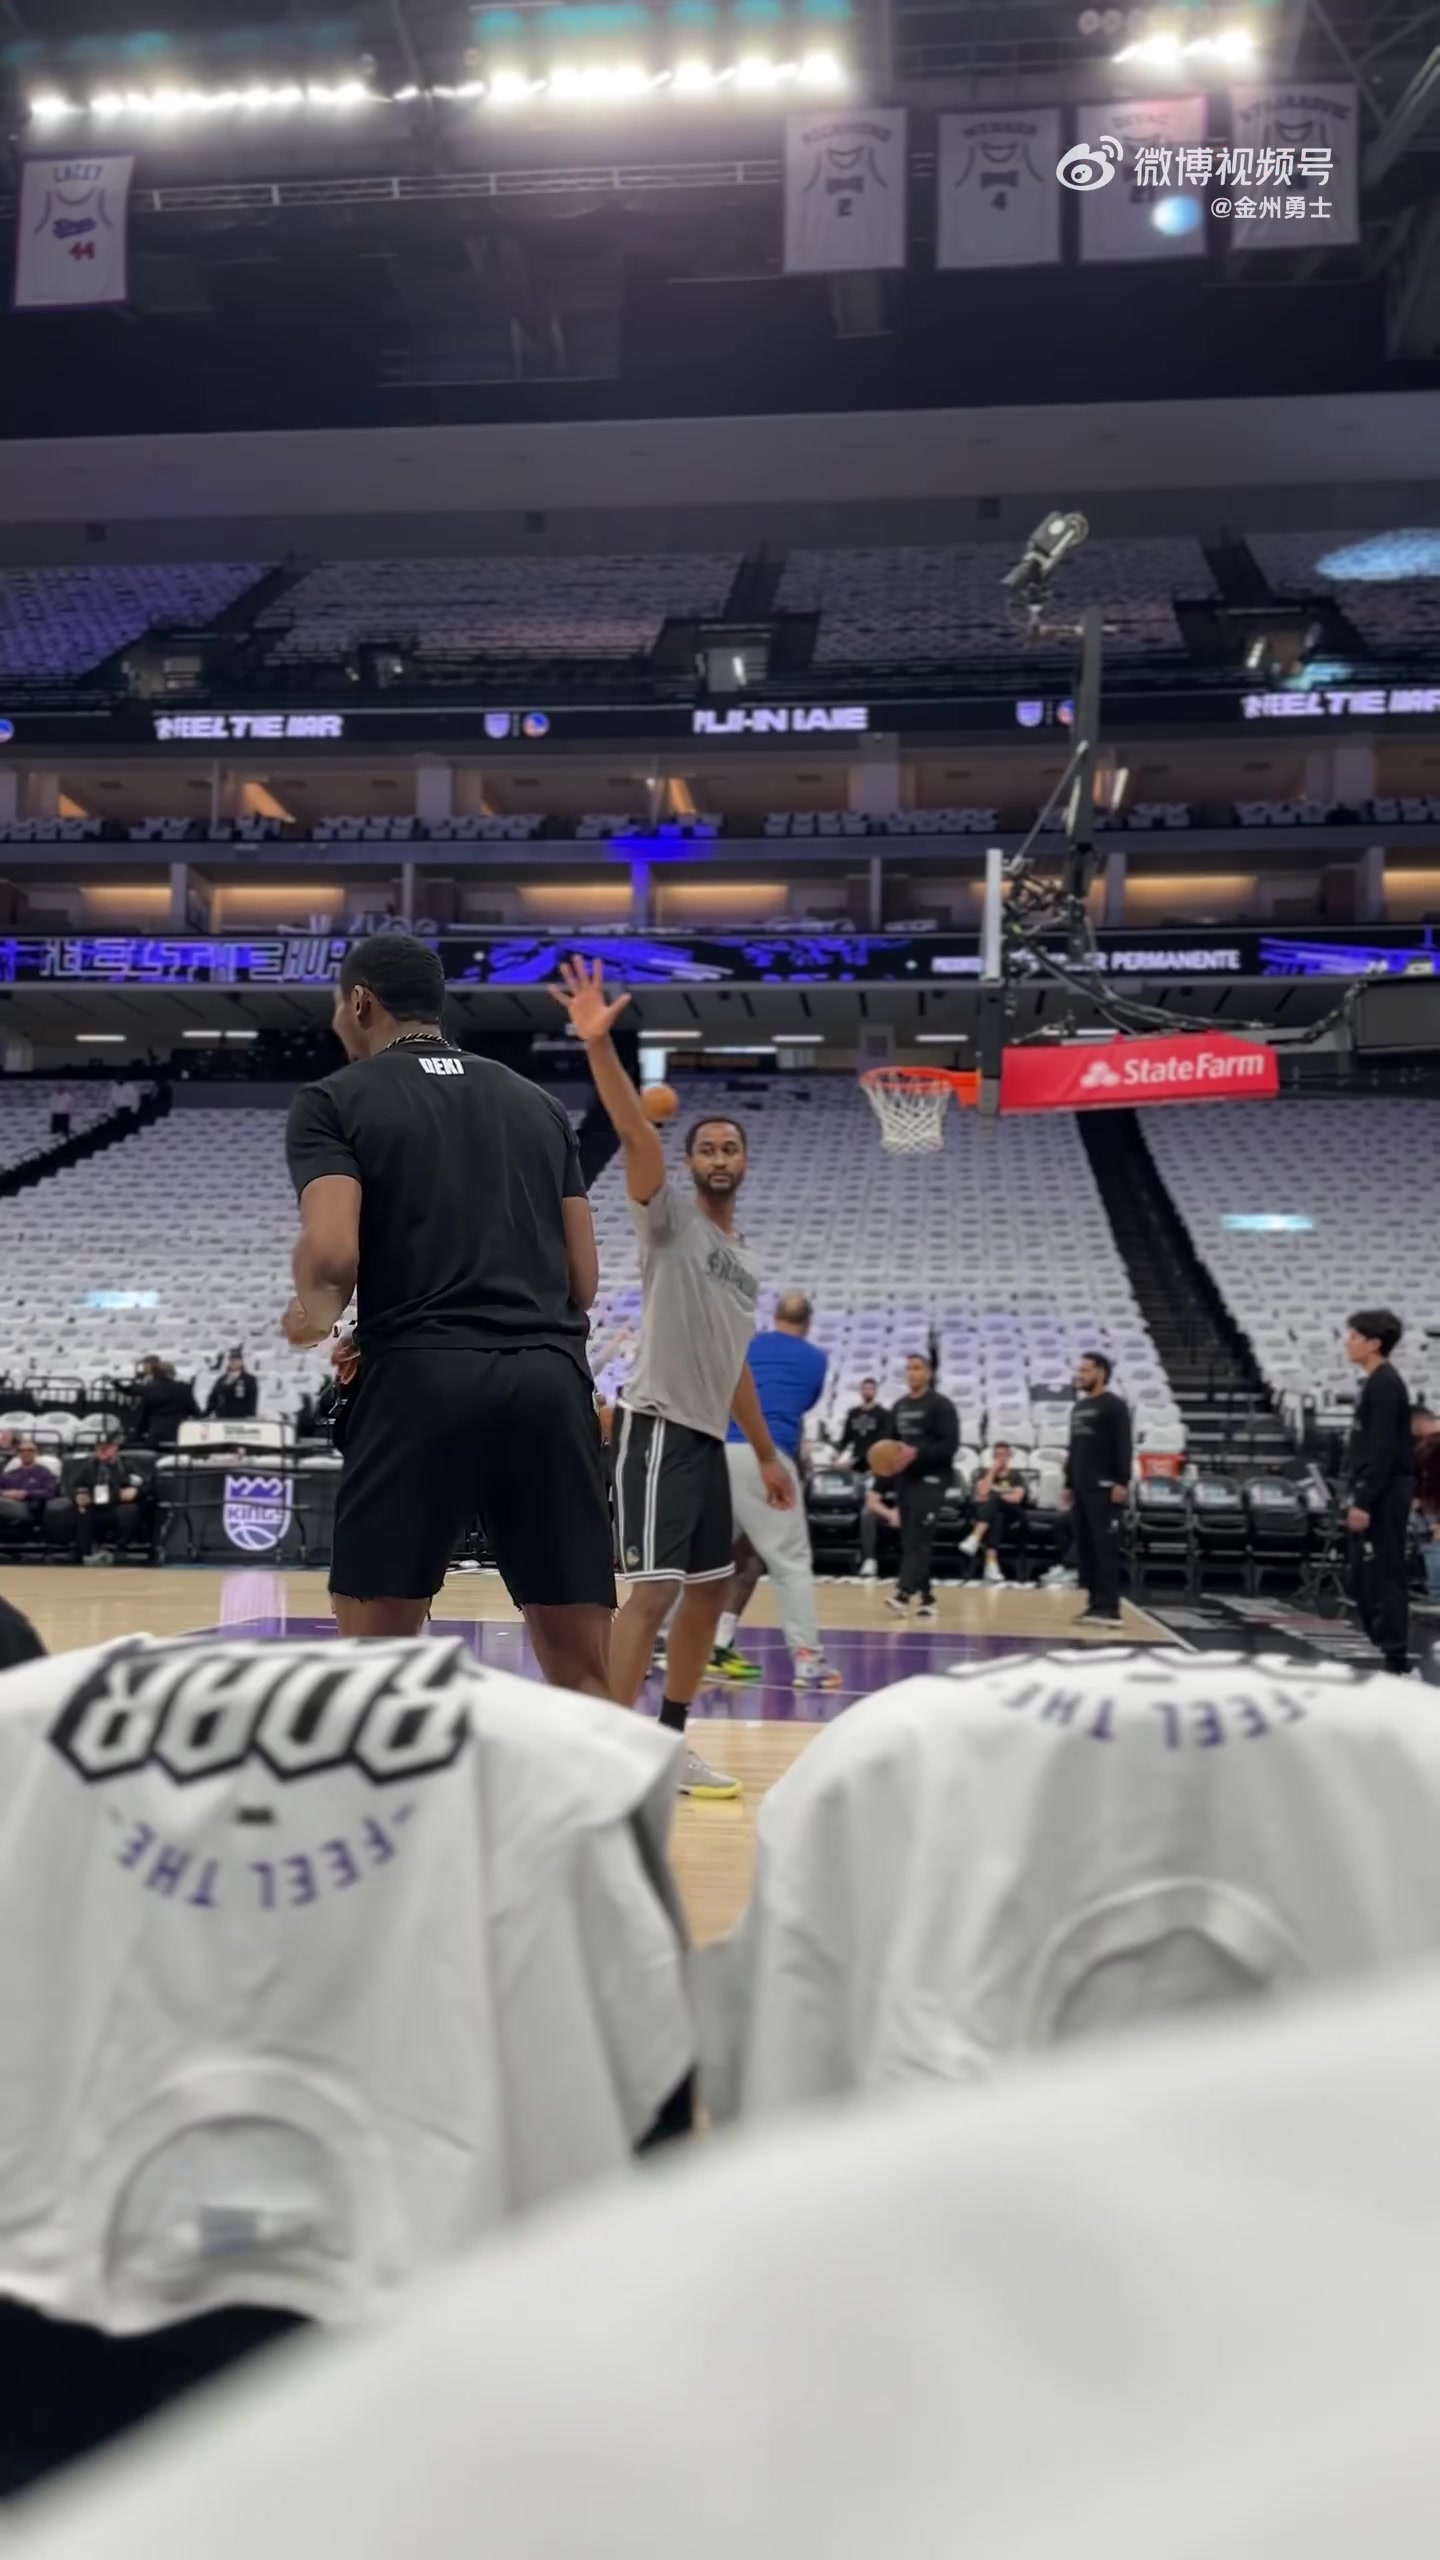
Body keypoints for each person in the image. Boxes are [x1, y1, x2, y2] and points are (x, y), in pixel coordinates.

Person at [282, 933, 614, 1698]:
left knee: (377, 1674)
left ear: (360, 1001)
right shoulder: (539, 1105)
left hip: (419, 1384)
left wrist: (313, 1313)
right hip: (548, 1384)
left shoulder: (334, 1100)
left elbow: (332, 1257)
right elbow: (583, 1281)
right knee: (583, 1675)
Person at [552, 953, 794, 1800]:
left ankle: (667, 1743)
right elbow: (633, 1133)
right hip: (654, 1428)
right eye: (708, 1147)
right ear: (690, 1164)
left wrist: (766, 1452)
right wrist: (598, 1046)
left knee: (709, 1594)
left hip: (706, 1439)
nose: (720, 1155)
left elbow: (734, 1366)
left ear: (745, 1162)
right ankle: (609, 1757)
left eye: (731, 1147)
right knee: (651, 1593)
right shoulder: (671, 1221)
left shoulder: (743, 1258)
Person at [712, 1291, 839, 1690]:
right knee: (790, 1563)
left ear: (774, 1316)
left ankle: (674, 1642)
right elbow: (800, 1405)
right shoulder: (815, 1359)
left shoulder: (749, 1344)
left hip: (718, 1454)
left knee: (710, 1560)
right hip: (766, 1456)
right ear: (808, 1323)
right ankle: (808, 1659)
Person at [1344, 1308, 1413, 1677]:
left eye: (1354, 1337)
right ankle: (1388, 1650)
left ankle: (1397, 1660)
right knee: (1362, 1578)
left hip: (1384, 1491)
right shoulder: (1375, 1382)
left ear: (1373, 1344)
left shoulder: (1385, 1384)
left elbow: (1383, 1449)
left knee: (1384, 1574)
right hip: (1377, 1488)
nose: (1347, 1343)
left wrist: (1364, 1500)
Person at [884, 1353, 960, 1620]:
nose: (911, 1373)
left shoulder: (941, 1405)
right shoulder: (899, 1406)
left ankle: (903, 1594)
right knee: (910, 1539)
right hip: (905, 1480)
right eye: (908, 1368)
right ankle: (927, 1597)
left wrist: (917, 1454)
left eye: (917, 1368)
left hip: (932, 1479)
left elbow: (950, 1445)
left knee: (919, 1537)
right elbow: (890, 1445)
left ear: (928, 1373)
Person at [1063, 1350, 1132, 1629]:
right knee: (1087, 1549)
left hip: (1104, 1488)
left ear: (1101, 1373)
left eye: (1086, 1370)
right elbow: (1074, 1449)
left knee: (1105, 1548)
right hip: (1081, 1488)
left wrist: (1121, 1481)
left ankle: (1110, 1608)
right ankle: (1094, 1603)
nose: (1080, 1375)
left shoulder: (1114, 1406)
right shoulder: (1079, 1407)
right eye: (1079, 1370)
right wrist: (1069, 1483)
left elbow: (1123, 1445)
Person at [55, 1433, 146, 1566]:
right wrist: (77, 1495)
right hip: (93, 1503)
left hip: (117, 1504)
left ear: (115, 1448)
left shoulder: (126, 1466)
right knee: (81, 1509)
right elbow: (72, 1486)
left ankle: (121, 1550)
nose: (102, 1451)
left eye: (106, 1448)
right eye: (99, 1448)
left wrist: (136, 1491)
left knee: (129, 1511)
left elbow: (146, 1484)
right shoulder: (88, 1466)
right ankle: (83, 1551)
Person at [957, 1441, 1029, 1586]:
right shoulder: (983, 1473)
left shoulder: (1016, 1476)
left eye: (1003, 1455)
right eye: (997, 1455)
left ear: (1009, 1456)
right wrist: (992, 1472)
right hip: (992, 1515)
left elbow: (1016, 1498)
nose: (1000, 1458)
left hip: (1012, 1513)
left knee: (994, 1500)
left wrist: (996, 1494)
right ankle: (991, 1565)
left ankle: (975, 1537)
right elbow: (982, 1492)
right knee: (996, 1516)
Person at [0, 1438, 59, 1546]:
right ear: (18, 1454)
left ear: (36, 1453)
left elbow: (50, 1492)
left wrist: (26, 1493)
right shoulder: (10, 1474)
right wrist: (5, 1493)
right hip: (6, 1506)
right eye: (22, 1450)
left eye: (30, 1450)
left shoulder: (44, 1473)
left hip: (30, 1509)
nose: (26, 1453)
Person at [133, 1361, 199, 1449]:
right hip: (178, 1433)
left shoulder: (149, 1389)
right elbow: (195, 1412)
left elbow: (143, 1415)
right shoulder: (184, 1388)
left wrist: (137, 1434)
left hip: (156, 1434)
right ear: (172, 1374)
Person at [835, 1377, 894, 1473]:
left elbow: (882, 1441)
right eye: (864, 1389)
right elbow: (846, 1438)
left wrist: (857, 1460)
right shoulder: (853, 1413)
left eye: (870, 1389)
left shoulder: (884, 1414)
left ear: (875, 1392)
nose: (867, 1391)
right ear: (861, 1391)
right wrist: (837, 1455)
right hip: (855, 1462)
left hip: (875, 1462)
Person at [1414, 1405, 1440, 1609]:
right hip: (1431, 1504)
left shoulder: (1431, 1447)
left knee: (1434, 1547)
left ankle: (1436, 1595)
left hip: (1434, 1506)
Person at [206, 1351, 259, 1422]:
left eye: (237, 1360)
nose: (234, 1362)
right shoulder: (221, 1380)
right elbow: (213, 1398)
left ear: (241, 1362)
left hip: (241, 1418)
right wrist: (207, 1413)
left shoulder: (249, 1379)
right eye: (232, 1360)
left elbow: (252, 1399)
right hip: (222, 1417)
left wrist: (251, 1415)